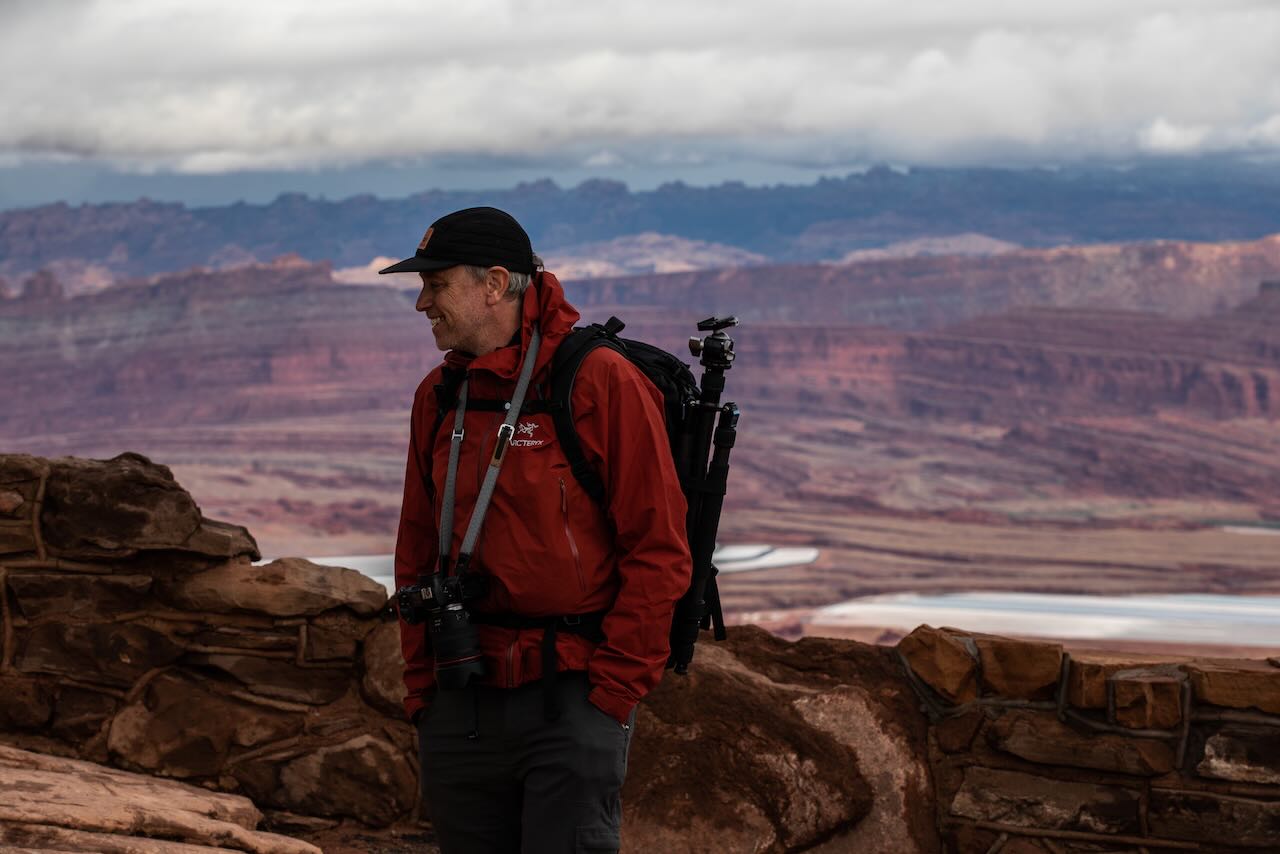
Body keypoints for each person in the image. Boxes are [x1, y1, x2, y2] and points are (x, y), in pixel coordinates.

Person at [380, 206, 692, 854]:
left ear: (494, 284)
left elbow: (659, 550)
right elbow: (416, 548)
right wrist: (423, 694)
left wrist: (610, 696)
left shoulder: (599, 381)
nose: (420, 303)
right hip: (460, 697)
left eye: (435, 285)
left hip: (570, 701)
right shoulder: (438, 397)